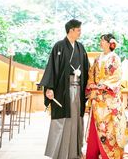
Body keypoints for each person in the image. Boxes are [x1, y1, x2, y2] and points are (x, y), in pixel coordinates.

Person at [41, 19, 90, 159]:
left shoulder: (81, 47)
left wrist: (89, 87)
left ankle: (75, 152)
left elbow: (87, 68)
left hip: (78, 89)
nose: (80, 32)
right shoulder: (59, 46)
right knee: (63, 119)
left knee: (76, 119)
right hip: (63, 90)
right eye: (78, 30)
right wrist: (49, 88)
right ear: (71, 30)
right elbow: (52, 67)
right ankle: (60, 153)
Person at [85, 34, 128, 159]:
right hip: (97, 97)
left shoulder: (115, 58)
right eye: (100, 40)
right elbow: (91, 74)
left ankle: (110, 154)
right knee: (97, 125)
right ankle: (94, 153)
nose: (100, 42)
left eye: (102, 40)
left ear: (109, 43)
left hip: (109, 99)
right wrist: (92, 85)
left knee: (110, 126)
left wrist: (102, 86)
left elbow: (116, 77)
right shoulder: (97, 58)